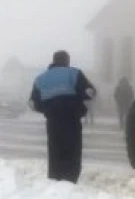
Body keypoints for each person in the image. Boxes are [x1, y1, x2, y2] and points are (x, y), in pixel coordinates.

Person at [28, 51, 96, 182]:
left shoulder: (41, 79)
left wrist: (47, 109)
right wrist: (80, 101)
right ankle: (70, 179)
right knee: (73, 149)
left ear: (53, 60)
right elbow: (90, 92)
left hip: (53, 121)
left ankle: (55, 177)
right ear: (67, 61)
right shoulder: (74, 73)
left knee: (55, 149)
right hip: (72, 118)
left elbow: (32, 103)